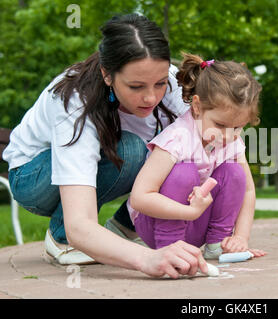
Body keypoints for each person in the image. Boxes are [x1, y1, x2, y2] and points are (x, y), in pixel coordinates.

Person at [2, 14, 209, 279]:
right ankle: (60, 240)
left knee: (176, 156)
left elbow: (213, 148)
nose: (151, 97)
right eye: (136, 86)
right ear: (107, 75)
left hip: (104, 161)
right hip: (32, 178)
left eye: (159, 84)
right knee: (133, 150)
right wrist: (147, 259)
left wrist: (229, 232)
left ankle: (120, 231)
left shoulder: (168, 81)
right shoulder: (74, 102)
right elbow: (80, 225)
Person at [128, 53, 266, 259]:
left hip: (196, 222)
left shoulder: (231, 141)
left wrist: (241, 237)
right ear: (197, 106)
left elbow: (247, 190)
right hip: (155, 225)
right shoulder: (177, 139)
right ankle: (169, 247)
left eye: (238, 127)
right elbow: (140, 198)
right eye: (220, 125)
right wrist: (189, 212)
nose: (229, 135)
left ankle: (217, 244)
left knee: (235, 172)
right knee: (185, 172)